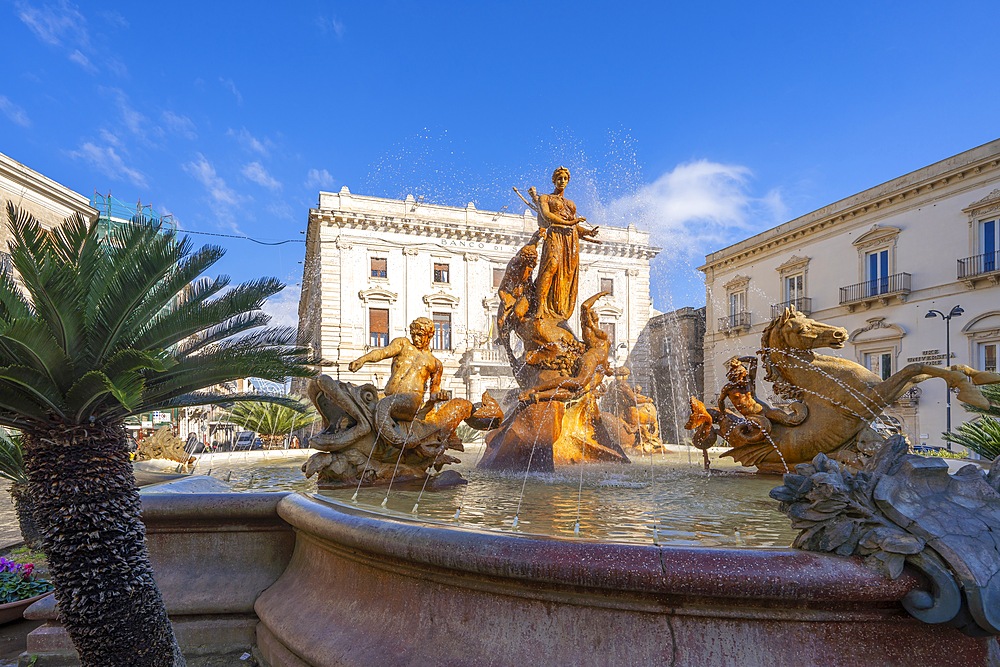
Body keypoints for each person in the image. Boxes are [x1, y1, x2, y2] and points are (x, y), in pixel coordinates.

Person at [348, 317, 448, 444]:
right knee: (354, 396)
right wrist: (362, 359)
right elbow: (382, 353)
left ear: (430, 335)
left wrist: (439, 395)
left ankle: (397, 441)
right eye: (413, 335)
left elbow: (434, 393)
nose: (415, 338)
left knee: (384, 405)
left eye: (420, 335)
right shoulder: (403, 344)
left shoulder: (435, 364)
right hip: (387, 396)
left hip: (410, 402)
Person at [531, 167, 599, 322]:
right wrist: (571, 222)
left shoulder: (570, 203)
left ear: (568, 181)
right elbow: (547, 216)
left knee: (567, 275)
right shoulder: (545, 198)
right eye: (559, 178)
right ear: (554, 180)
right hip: (555, 234)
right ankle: (541, 306)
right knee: (551, 266)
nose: (562, 181)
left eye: (565, 179)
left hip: (570, 240)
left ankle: (559, 309)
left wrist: (588, 232)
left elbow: (573, 227)